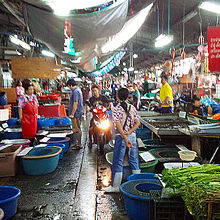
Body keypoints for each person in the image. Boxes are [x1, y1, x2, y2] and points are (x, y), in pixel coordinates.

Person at [103, 88, 140, 193]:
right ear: (128, 96)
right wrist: (129, 133)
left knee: (118, 162)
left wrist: (124, 136)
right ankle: (137, 184)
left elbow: (118, 125)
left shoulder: (117, 109)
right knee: (133, 160)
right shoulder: (132, 107)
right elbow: (137, 123)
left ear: (118, 96)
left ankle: (115, 186)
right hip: (132, 136)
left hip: (121, 137)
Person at [67, 78, 84, 149]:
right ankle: (78, 144)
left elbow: (75, 103)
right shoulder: (77, 90)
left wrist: (72, 114)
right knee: (77, 129)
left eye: (68, 86)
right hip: (78, 112)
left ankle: (79, 145)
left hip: (76, 113)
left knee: (77, 129)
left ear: (70, 85)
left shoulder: (75, 92)